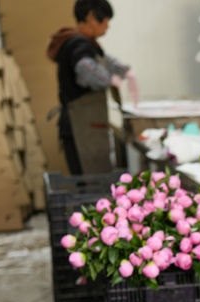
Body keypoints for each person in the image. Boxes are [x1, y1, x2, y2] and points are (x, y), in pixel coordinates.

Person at [47, 0, 135, 175]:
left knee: (91, 178)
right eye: (105, 20)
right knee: (90, 181)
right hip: (80, 128)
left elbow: (106, 61)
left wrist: (126, 72)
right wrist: (111, 80)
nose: (107, 26)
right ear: (91, 18)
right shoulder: (78, 45)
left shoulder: (88, 44)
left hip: (84, 126)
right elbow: (88, 71)